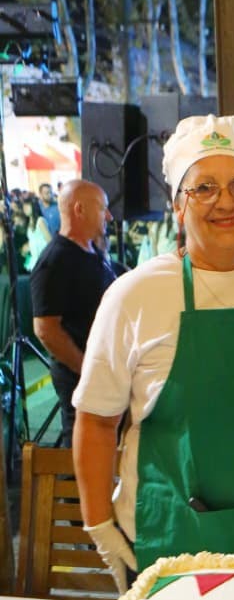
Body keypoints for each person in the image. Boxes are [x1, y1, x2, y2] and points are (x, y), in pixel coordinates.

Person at [73, 114, 234, 591]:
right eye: (204, 187)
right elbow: (97, 421)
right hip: (180, 548)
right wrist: (100, 525)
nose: (225, 202)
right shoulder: (135, 295)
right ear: (177, 207)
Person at [31, 180, 117, 446]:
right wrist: (86, 368)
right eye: (103, 208)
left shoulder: (93, 250)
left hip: (103, 369)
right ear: (79, 209)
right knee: (85, 442)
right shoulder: (54, 261)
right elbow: (46, 330)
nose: (109, 215)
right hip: (80, 374)